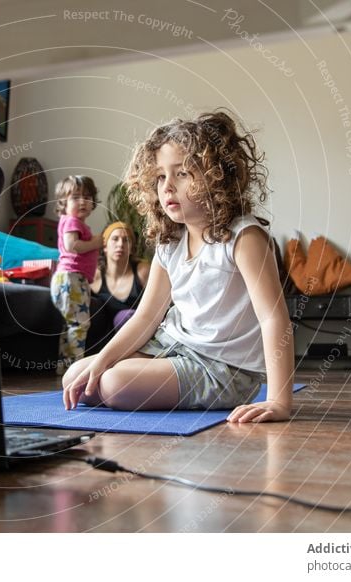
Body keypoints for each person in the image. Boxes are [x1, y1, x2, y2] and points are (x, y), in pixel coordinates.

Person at [62, 111, 294, 423]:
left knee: (114, 384)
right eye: (160, 176)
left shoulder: (244, 238)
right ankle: (109, 375)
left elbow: (273, 319)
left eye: (182, 173)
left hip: (222, 368)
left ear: (216, 177)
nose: (167, 186)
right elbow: (146, 317)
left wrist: (279, 401)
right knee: (77, 375)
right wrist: (102, 359)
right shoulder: (169, 243)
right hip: (172, 346)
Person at [50, 175, 103, 374]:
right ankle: (75, 367)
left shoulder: (73, 222)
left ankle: (64, 366)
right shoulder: (72, 222)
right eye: (76, 197)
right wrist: (96, 243)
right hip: (72, 278)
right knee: (80, 324)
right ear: (63, 203)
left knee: (71, 324)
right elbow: (72, 246)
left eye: (87, 197)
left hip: (69, 278)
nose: (83, 201)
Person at [90, 222, 150, 333]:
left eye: (126, 240)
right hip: (103, 336)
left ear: (132, 248)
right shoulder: (94, 275)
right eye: (115, 239)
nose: (120, 244)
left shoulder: (143, 271)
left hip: (139, 335)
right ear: (105, 246)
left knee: (125, 316)